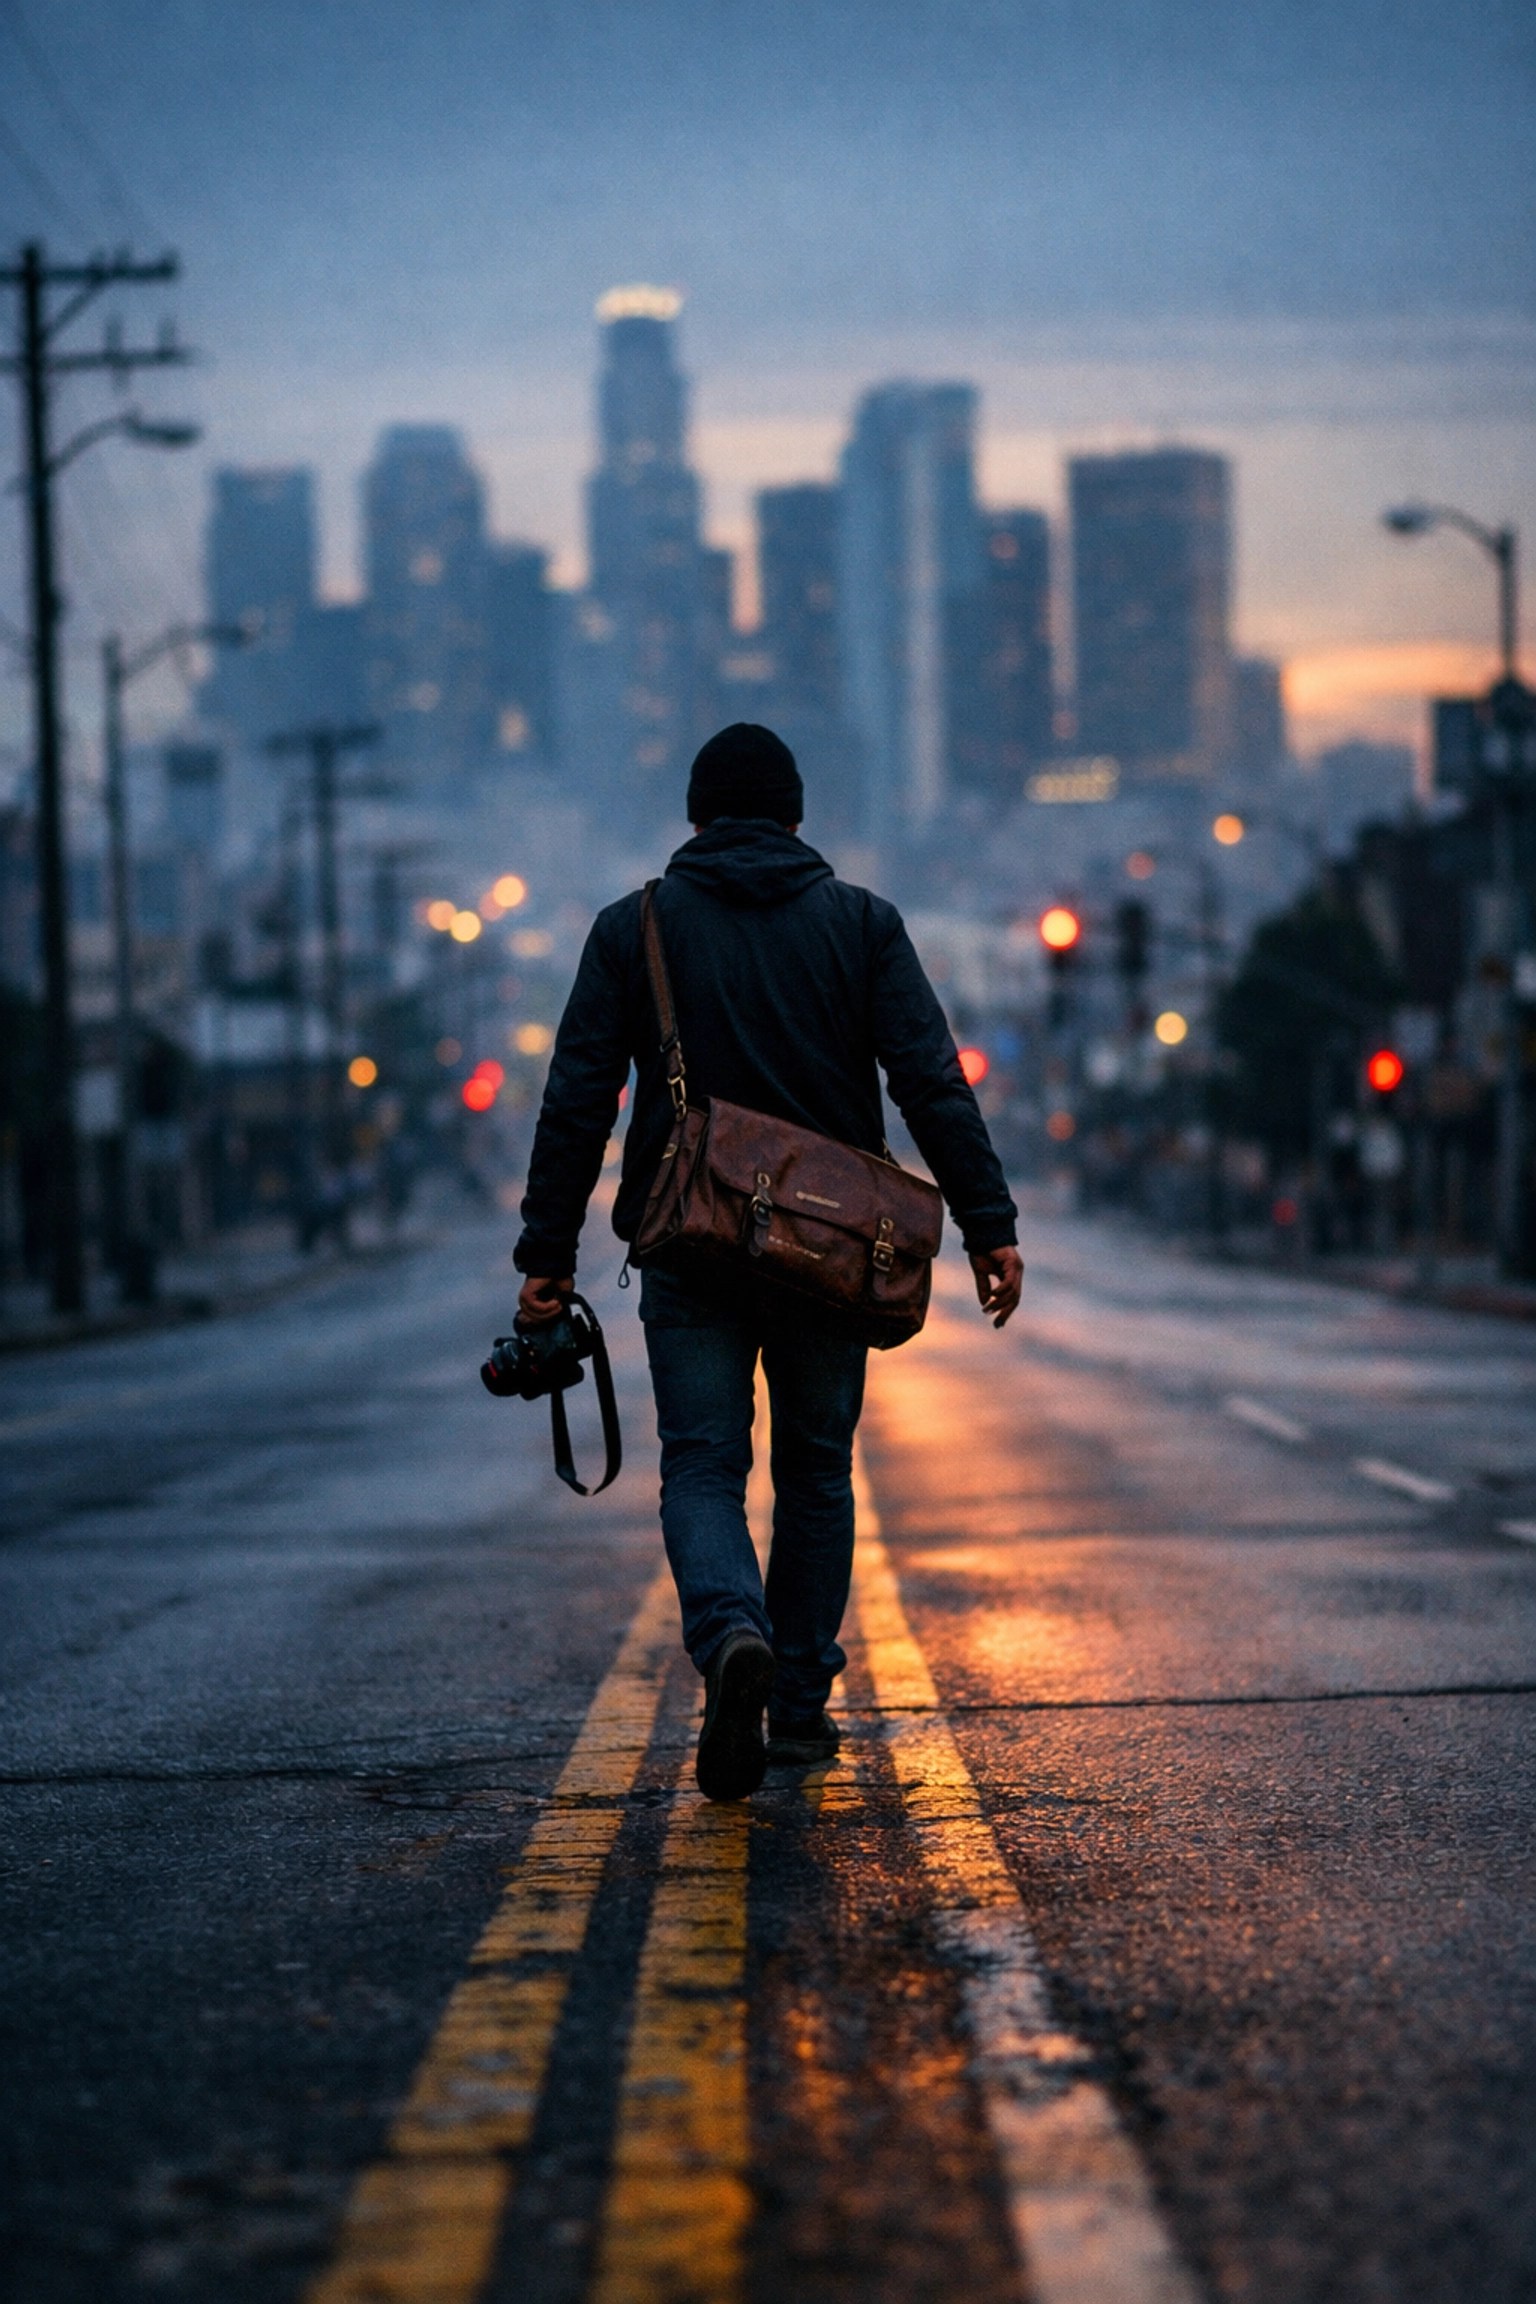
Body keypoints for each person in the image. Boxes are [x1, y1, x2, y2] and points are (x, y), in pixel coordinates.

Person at [514, 723, 1023, 1801]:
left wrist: (544, 1254)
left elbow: (576, 1101)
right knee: (817, 1470)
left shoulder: (635, 928)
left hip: (689, 1241)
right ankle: (794, 1701)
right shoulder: (863, 926)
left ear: (696, 818)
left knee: (703, 1464)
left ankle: (729, 1633)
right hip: (830, 1252)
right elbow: (933, 1082)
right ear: (797, 818)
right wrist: (988, 1224)